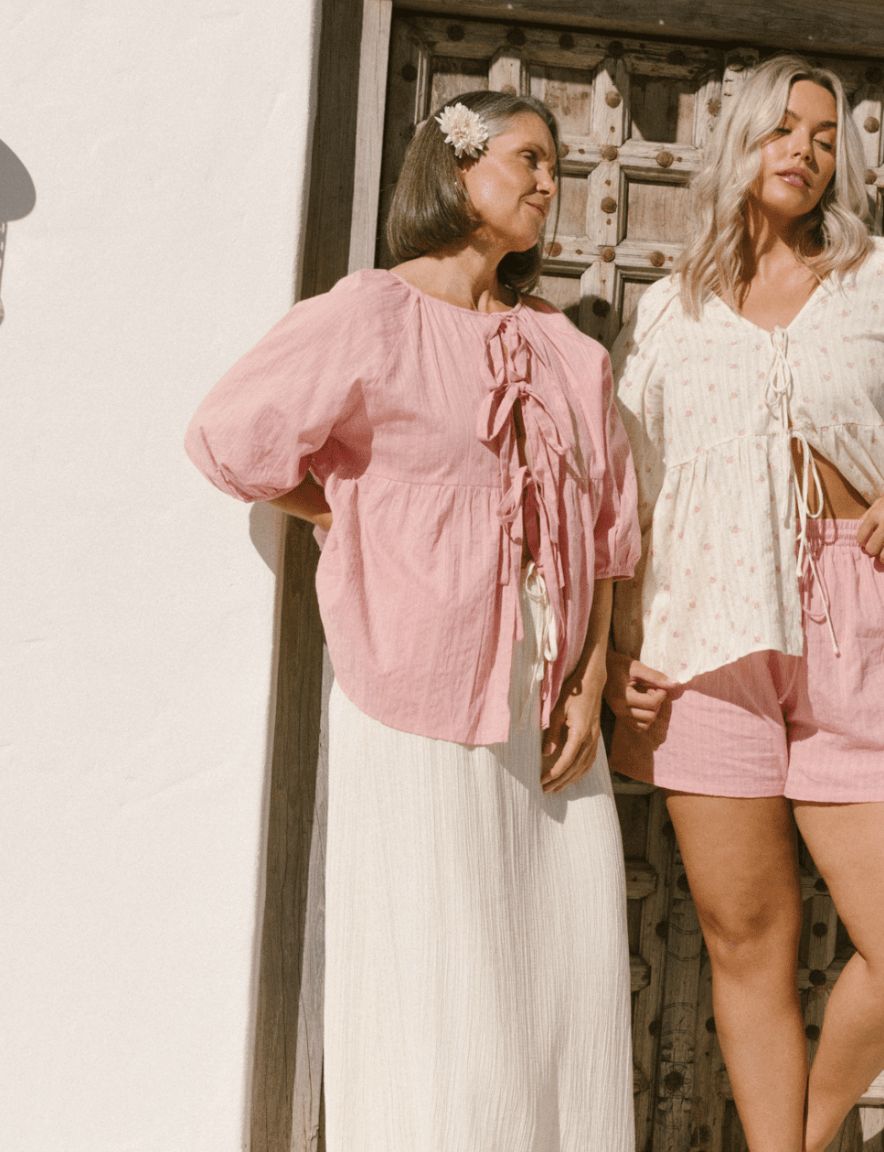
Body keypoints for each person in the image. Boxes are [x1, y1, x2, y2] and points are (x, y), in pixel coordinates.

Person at [604, 54, 884, 1152]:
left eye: (822, 137)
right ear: (739, 142)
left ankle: (800, 1135)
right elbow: (630, 489)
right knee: (746, 935)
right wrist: (611, 643)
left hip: (857, 607)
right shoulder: (670, 311)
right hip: (703, 628)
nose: (802, 151)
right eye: (782, 129)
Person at [185, 92, 639, 1151]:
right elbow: (228, 439)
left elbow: (611, 526)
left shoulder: (568, 351)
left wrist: (585, 678)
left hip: (549, 686)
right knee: (441, 954)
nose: (546, 182)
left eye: (554, 165)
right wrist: (355, 506)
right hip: (418, 675)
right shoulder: (366, 315)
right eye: (527, 157)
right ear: (454, 169)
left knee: (559, 965)